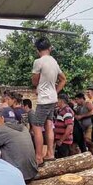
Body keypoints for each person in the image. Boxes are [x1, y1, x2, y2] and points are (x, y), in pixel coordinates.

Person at [31, 37, 67, 165]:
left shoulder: (38, 62)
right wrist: (55, 91)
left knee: (36, 126)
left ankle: (39, 156)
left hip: (44, 99)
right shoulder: (54, 61)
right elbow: (63, 79)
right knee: (49, 124)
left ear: (37, 50)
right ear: (50, 48)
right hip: (53, 98)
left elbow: (34, 81)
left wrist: (38, 86)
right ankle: (50, 153)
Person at [0, 116, 38, 182]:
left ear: (2, 118)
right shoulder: (24, 128)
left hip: (18, 176)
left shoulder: (2, 129)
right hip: (32, 172)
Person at [54, 94, 75, 159]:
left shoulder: (66, 111)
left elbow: (69, 127)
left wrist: (61, 140)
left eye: (57, 100)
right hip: (62, 142)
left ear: (61, 101)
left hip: (64, 142)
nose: (56, 102)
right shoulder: (62, 110)